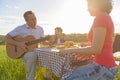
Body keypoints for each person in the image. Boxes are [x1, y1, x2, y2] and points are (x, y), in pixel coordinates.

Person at [59, 0, 118, 80]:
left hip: (102, 67)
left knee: (66, 77)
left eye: (89, 5)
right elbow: (102, 43)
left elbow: (96, 49)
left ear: (97, 5)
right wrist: (86, 45)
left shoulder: (100, 18)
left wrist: (69, 50)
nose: (88, 9)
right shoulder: (105, 16)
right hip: (106, 66)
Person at [4, 11, 44, 80]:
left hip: (38, 50)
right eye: (31, 19)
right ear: (26, 21)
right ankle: (30, 78)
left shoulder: (40, 29)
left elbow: (43, 41)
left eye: (35, 18)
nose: (34, 21)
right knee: (32, 55)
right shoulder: (20, 28)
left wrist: (50, 41)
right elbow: (6, 38)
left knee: (49, 52)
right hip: (25, 52)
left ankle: (47, 76)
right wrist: (19, 43)